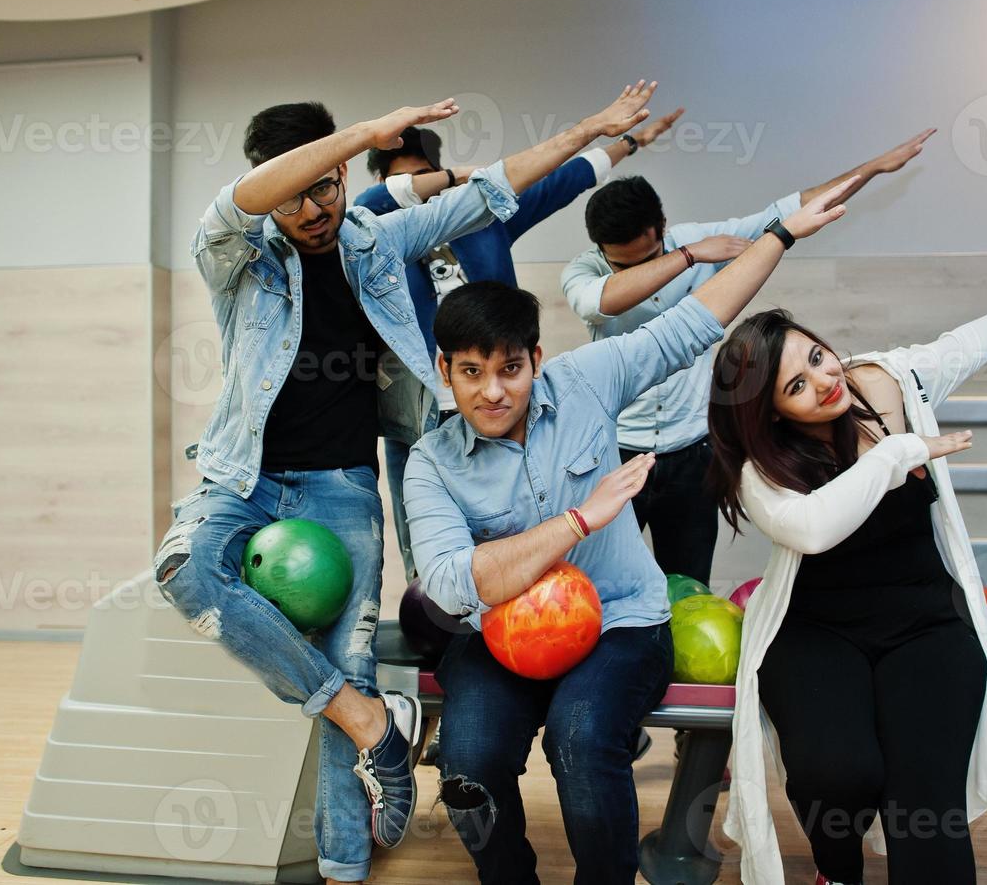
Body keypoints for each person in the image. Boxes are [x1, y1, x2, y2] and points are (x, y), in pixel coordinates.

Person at [151, 81, 658, 885]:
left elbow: (493, 190)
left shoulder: (374, 241)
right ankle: (374, 725)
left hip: (342, 482)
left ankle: (343, 866)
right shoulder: (238, 251)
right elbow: (239, 199)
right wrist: (361, 132)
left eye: (327, 184)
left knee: (344, 655)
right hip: (243, 473)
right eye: (297, 193)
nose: (314, 207)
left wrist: (590, 130)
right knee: (183, 568)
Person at [400, 174, 861, 884]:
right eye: (471, 373)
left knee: (582, 740)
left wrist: (780, 235)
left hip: (618, 622)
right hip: (498, 636)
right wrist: (577, 521)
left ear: (536, 361)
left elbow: (695, 322)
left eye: (510, 369)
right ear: (445, 371)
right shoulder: (430, 464)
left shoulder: (586, 380)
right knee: (468, 762)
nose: (493, 392)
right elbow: (455, 585)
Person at [705, 274, 987, 885]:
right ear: (770, 413)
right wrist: (896, 454)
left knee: (924, 806)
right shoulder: (759, 466)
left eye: (818, 357)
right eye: (797, 385)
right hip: (814, 631)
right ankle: (838, 872)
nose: (824, 381)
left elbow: (961, 345)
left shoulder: (884, 381)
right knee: (837, 774)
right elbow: (815, 529)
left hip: (927, 623)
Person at [559, 129, 934, 586]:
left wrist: (871, 167)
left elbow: (788, 213)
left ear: (662, 226)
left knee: (689, 583)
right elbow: (601, 302)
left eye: (648, 256)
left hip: (694, 450)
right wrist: (688, 256)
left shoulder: (694, 238)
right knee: (598, 579)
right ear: (601, 250)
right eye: (623, 264)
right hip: (617, 451)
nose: (637, 271)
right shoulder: (587, 270)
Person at [355, 108, 685, 580]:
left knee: (522, 546)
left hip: (506, 408)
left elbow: (561, 181)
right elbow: (366, 204)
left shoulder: (483, 219)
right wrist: (448, 178)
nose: (421, 190)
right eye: (408, 182)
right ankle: (440, 643)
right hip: (423, 418)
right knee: (431, 561)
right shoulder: (374, 242)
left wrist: (630, 143)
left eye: (426, 175)